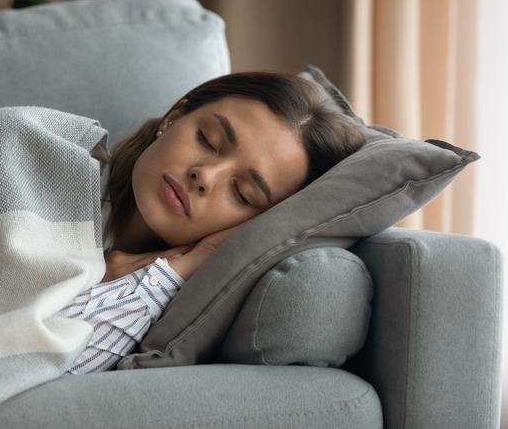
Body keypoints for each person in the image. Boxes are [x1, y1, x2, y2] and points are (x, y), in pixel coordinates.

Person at [56, 71, 365, 374]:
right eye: (208, 140)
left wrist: (186, 265)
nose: (205, 175)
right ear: (174, 117)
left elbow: (47, 369)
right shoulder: (46, 156)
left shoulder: (180, 301)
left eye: (242, 193)